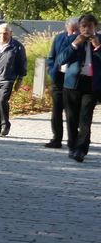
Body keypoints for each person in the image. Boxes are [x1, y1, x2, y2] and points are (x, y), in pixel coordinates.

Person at [56, 12, 101, 162]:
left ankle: (81, 150)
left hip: (91, 85)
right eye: (83, 26)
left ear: (95, 27)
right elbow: (60, 60)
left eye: (90, 26)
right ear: (79, 27)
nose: (86, 29)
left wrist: (98, 47)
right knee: (71, 118)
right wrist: (75, 44)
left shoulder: (100, 40)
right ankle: (72, 146)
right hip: (72, 84)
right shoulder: (71, 39)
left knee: (85, 119)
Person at [44, 17, 79, 148]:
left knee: (72, 112)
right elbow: (51, 57)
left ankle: (73, 140)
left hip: (73, 78)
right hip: (58, 77)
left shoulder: (81, 40)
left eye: (76, 30)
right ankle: (56, 138)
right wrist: (51, 70)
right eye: (72, 30)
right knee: (56, 110)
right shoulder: (59, 38)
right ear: (67, 28)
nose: (74, 32)